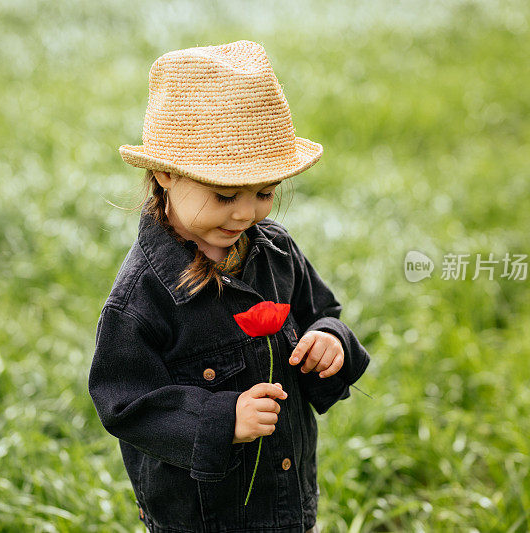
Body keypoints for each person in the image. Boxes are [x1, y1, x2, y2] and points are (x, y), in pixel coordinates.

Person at [88, 40, 371, 533]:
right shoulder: (143, 296)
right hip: (200, 514)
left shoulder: (276, 252)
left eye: (264, 193)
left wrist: (330, 341)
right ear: (165, 174)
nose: (245, 213)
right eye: (224, 195)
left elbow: (321, 310)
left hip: (286, 495)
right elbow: (124, 402)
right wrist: (221, 421)